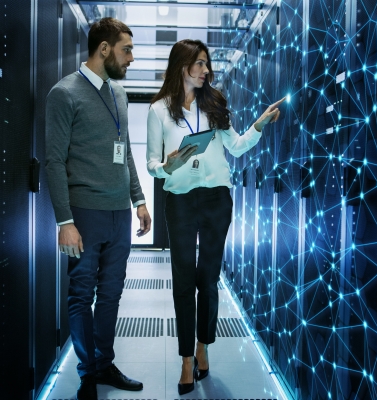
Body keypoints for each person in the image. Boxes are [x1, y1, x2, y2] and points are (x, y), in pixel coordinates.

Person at [146, 38, 285, 395]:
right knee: (182, 281)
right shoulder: (159, 110)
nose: (207, 71)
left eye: (207, 64)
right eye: (200, 64)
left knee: (207, 279)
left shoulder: (215, 104)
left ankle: (202, 346)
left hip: (216, 200)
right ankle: (186, 360)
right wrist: (167, 165)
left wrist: (258, 125)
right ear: (183, 66)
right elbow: (151, 163)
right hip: (178, 200)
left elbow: (236, 147)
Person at [45, 18, 151, 400]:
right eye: (126, 49)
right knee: (81, 293)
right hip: (84, 214)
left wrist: (139, 200)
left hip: (119, 213)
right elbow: (53, 162)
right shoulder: (64, 94)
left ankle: (104, 363)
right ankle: (88, 371)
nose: (131, 58)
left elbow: (125, 156)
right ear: (104, 49)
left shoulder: (118, 93)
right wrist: (65, 221)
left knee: (111, 295)